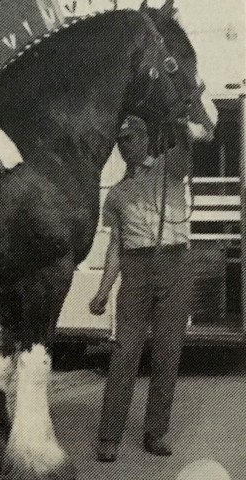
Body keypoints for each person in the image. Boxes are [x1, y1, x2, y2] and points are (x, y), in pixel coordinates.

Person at [90, 115, 191, 462]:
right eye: (121, 141)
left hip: (175, 265)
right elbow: (115, 246)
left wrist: (179, 122)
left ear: (146, 139)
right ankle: (109, 437)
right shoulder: (116, 194)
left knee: (167, 352)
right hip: (135, 270)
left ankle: (155, 432)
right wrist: (103, 290)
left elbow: (187, 150)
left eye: (131, 138)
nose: (126, 146)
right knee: (125, 352)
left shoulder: (170, 168)